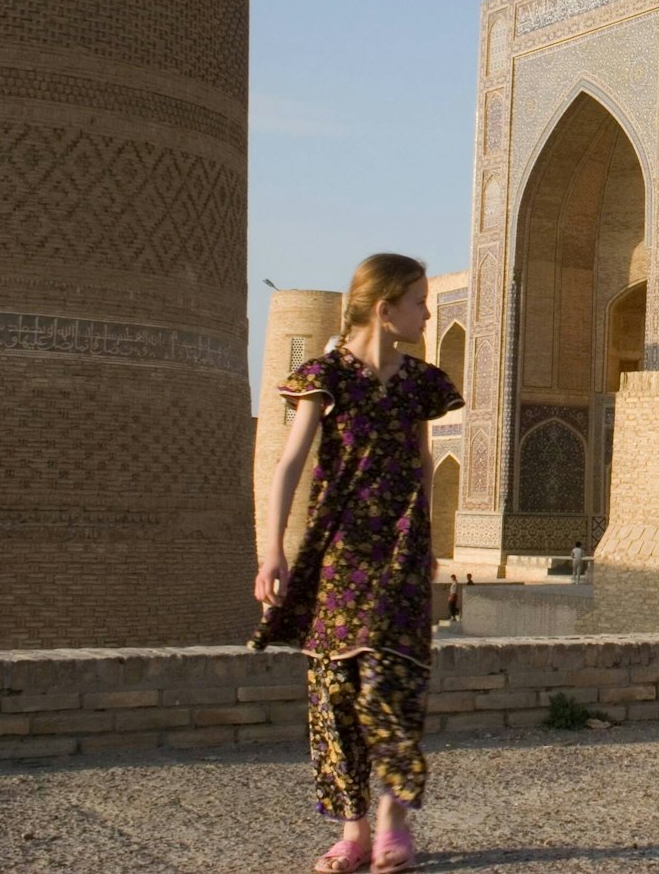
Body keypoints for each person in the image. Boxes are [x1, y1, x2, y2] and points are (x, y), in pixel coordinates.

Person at [252, 254, 463, 874]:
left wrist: (423, 534)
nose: (428, 311)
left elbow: (423, 463)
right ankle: (354, 829)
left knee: (393, 680)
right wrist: (272, 551)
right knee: (335, 689)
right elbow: (290, 464)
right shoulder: (327, 377)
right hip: (338, 549)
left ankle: (395, 818)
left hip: (398, 550)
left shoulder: (422, 382)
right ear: (385, 307)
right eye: (419, 301)